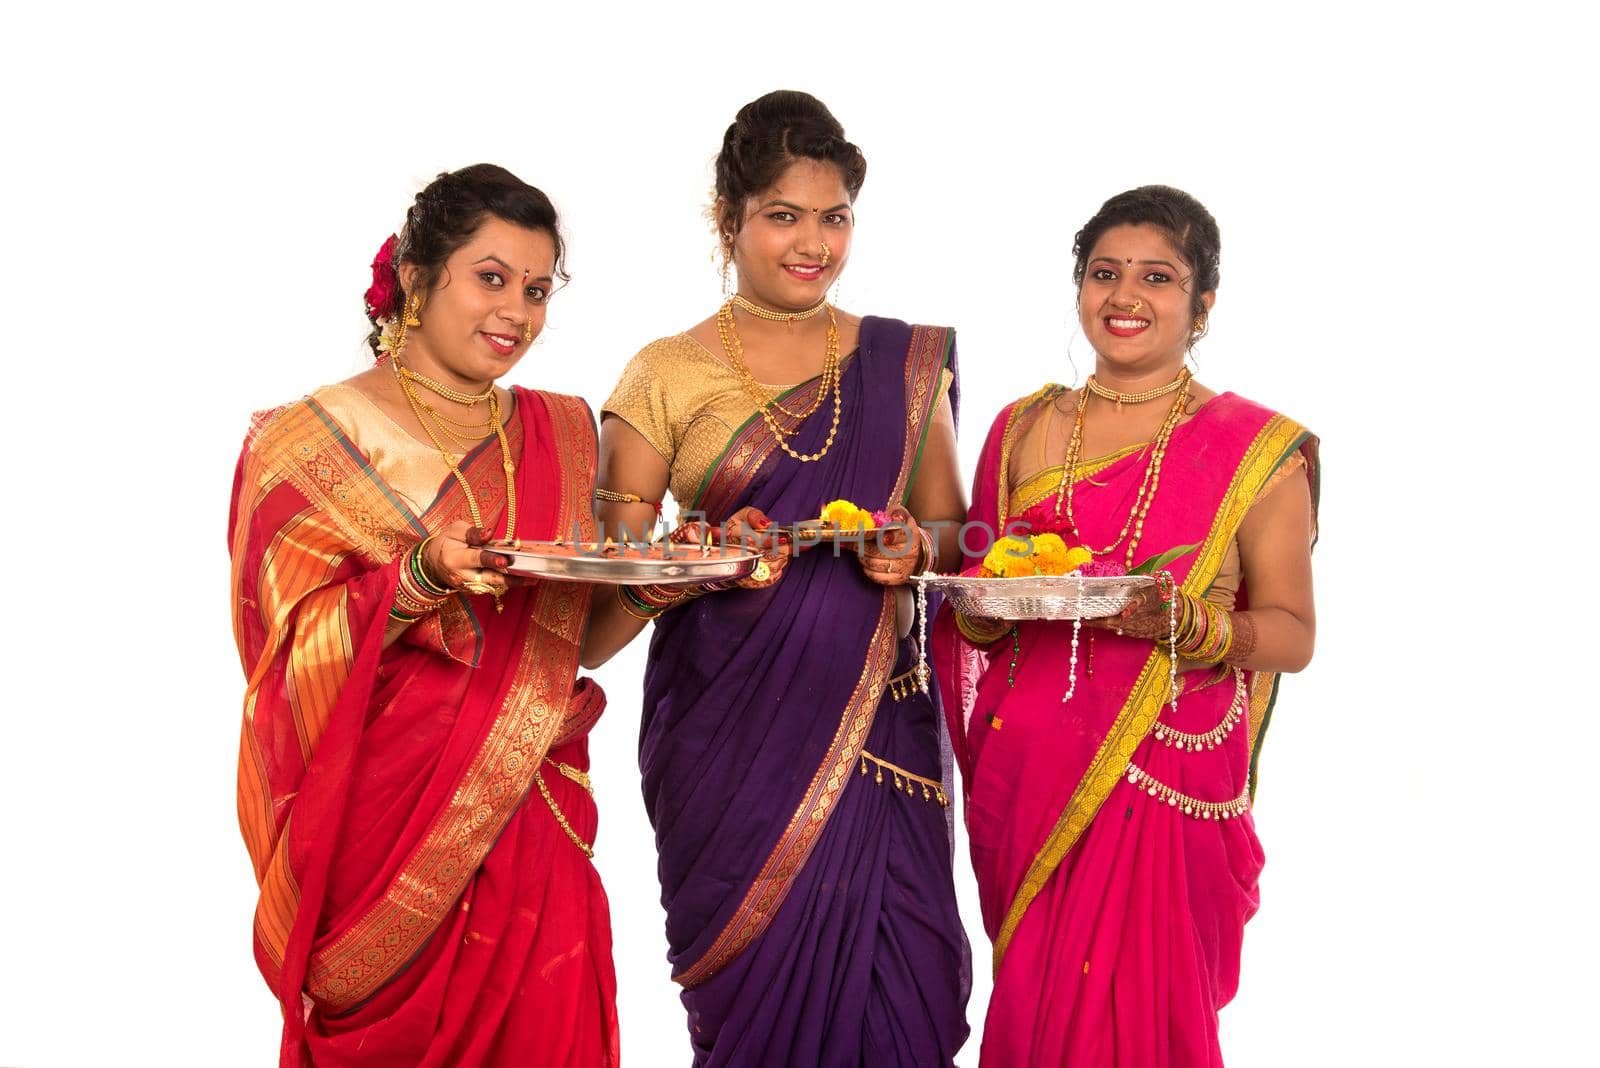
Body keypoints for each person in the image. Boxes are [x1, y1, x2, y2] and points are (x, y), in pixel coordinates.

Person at [582, 91, 971, 1066]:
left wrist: (911, 549)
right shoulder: (663, 374)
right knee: (757, 1014)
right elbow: (597, 598)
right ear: (728, 220)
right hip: (727, 742)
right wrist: (696, 554)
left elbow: (951, 533)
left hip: (881, 727)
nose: (813, 243)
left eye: (833, 216)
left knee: (907, 993)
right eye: (782, 216)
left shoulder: (903, 362)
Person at [229, 164, 618, 1066]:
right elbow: (283, 662)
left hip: (534, 804)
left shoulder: (560, 431)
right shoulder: (306, 441)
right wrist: (414, 579)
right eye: (490, 278)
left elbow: (575, 640)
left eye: (535, 289)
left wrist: (653, 585)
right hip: (385, 826)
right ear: (415, 278)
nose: (515, 313)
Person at [933, 185, 1319, 1066]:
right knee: (1040, 1005)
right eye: (1104, 273)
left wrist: (1191, 624)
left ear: (1204, 303)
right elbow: (977, 602)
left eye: (1158, 277)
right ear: (1079, 287)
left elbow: (1293, 631)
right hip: (1032, 770)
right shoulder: (1023, 427)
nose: (1125, 296)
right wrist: (988, 611)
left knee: (1146, 1018)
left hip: (1163, 766)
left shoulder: (1254, 448)